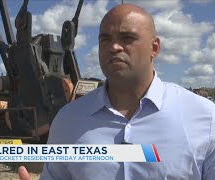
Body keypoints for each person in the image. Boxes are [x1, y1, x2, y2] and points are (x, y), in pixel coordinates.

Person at [18, 3, 215, 180]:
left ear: (154, 48)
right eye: (105, 40)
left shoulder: (205, 119)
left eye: (127, 38)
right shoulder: (68, 120)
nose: (113, 47)